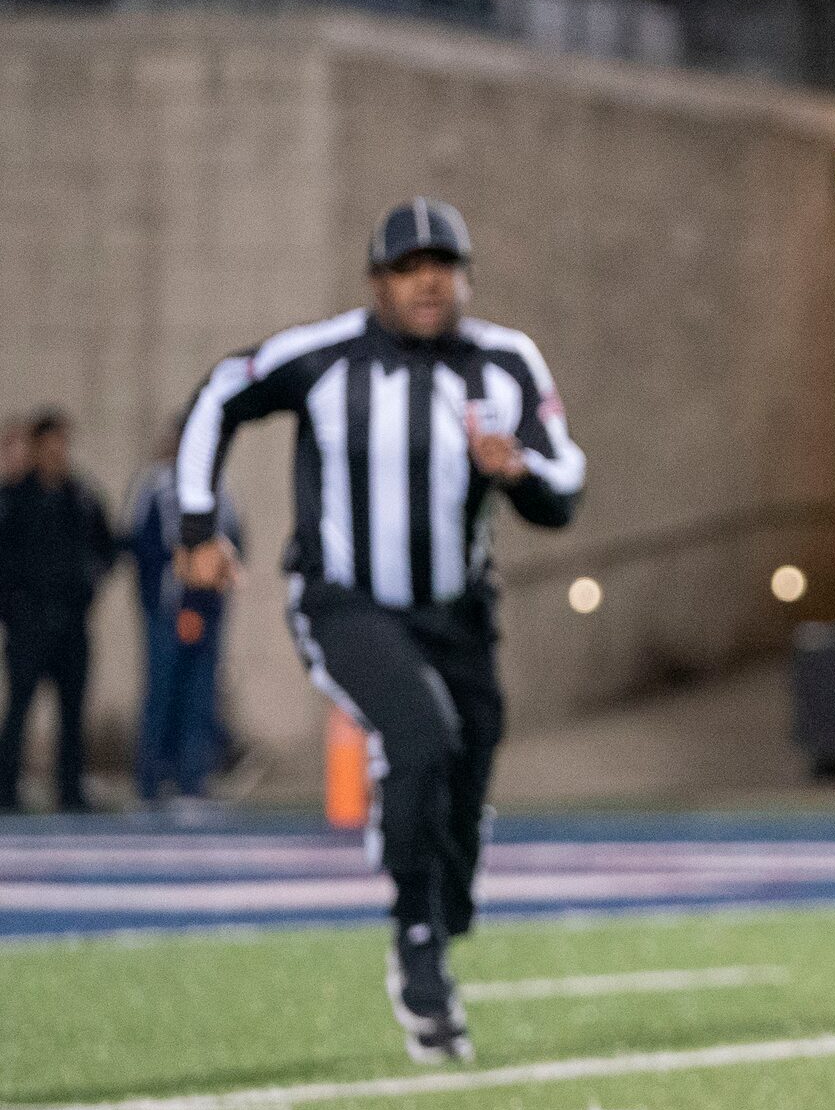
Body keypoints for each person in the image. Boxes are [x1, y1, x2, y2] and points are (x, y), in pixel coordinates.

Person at [175, 199, 585, 1061]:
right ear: (377, 283)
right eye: (408, 266)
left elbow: (565, 482)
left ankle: (442, 898)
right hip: (344, 600)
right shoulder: (324, 356)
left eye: (443, 263)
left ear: (466, 277)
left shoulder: (505, 362)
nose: (427, 279)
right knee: (419, 736)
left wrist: (520, 471)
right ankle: (415, 939)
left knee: (468, 769)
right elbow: (218, 392)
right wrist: (197, 524)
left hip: (460, 613)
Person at [0, 410, 119, 812]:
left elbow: (108, 546)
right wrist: (13, 606)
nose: (56, 455)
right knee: (19, 709)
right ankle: (6, 790)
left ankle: (70, 790)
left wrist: (90, 583)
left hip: (71, 622)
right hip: (28, 623)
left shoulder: (81, 497)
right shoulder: (14, 500)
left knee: (73, 712)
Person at [128, 420, 242, 807]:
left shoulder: (220, 486)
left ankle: (193, 780)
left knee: (201, 696)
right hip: (168, 607)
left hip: (207, 609)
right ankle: (151, 781)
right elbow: (140, 546)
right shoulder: (157, 485)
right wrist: (159, 600)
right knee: (163, 693)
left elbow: (234, 544)